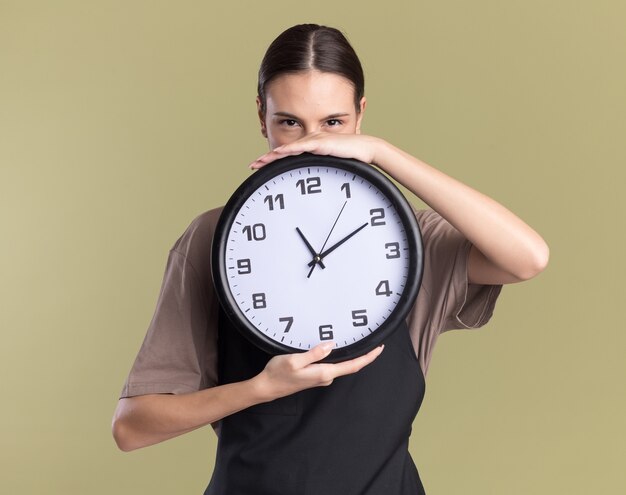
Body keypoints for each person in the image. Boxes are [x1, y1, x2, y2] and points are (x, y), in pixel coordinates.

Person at [112, 24, 549, 494]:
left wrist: (383, 153)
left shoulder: (410, 238)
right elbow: (133, 428)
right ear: (263, 117)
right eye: (290, 123)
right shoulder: (214, 239)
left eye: (333, 123)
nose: (311, 143)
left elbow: (528, 257)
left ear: (361, 115)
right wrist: (261, 388)